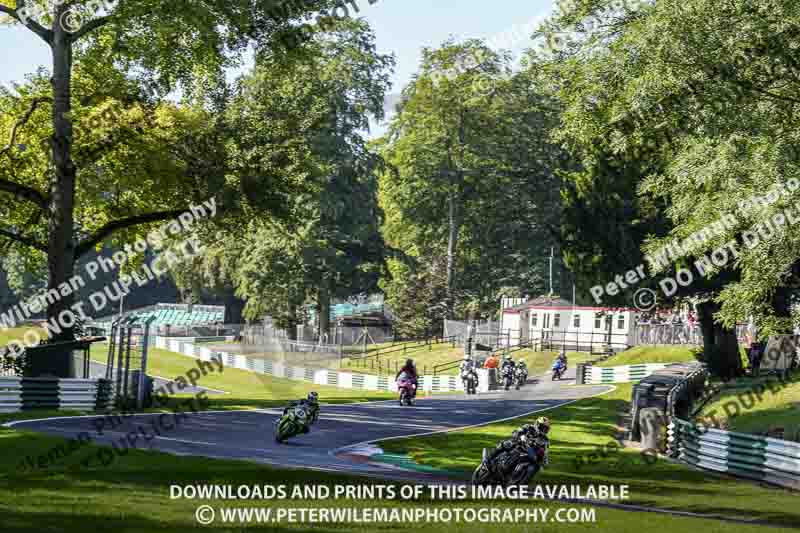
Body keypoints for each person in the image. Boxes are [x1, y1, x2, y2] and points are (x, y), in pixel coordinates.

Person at [486, 416, 551, 465]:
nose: (543, 430)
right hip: (518, 444)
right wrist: (519, 435)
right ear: (537, 424)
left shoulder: (545, 440)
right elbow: (516, 432)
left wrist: (544, 459)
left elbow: (545, 451)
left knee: (534, 464)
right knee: (507, 444)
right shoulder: (528, 427)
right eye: (542, 427)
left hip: (528, 453)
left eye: (545, 428)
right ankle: (488, 459)